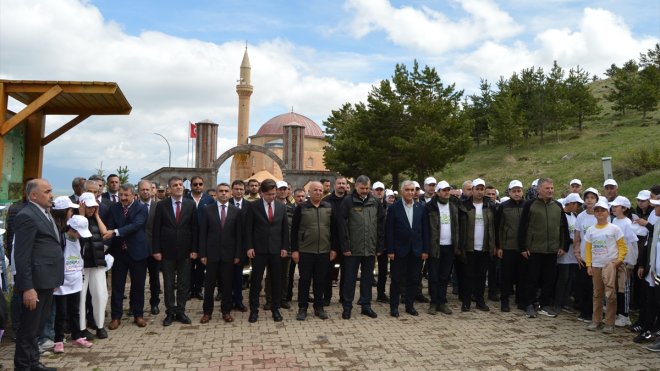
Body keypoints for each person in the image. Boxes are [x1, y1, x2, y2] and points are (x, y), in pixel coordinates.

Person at [13, 179, 63, 371]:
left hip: (47, 280)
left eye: (51, 190)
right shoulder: (27, 215)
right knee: (28, 330)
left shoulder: (44, 213)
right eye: (47, 191)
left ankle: (33, 363)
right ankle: (23, 366)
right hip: (35, 283)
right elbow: (22, 255)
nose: (51, 195)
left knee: (37, 328)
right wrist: (27, 288)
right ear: (33, 195)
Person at [518, 178, 569, 318]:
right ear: (539, 189)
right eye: (547, 188)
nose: (550, 191)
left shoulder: (558, 206)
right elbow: (522, 227)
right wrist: (522, 247)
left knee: (549, 279)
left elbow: (563, 227)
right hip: (533, 249)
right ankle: (528, 304)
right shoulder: (530, 205)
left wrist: (564, 246)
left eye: (552, 188)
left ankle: (544, 305)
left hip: (552, 250)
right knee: (531, 279)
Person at [152, 176, 198, 326]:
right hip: (167, 252)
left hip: (185, 251)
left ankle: (181, 311)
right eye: (175, 185)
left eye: (180, 185)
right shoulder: (162, 206)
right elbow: (156, 229)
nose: (179, 187)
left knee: (184, 283)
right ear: (169, 189)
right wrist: (156, 250)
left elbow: (194, 228)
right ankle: (170, 312)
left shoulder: (190, 205)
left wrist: (194, 249)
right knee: (169, 283)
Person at [339, 175, 385, 319]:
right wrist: (345, 246)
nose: (365, 191)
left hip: (370, 248)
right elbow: (342, 226)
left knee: (367, 278)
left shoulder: (375, 202)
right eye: (362, 188)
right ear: (356, 187)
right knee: (350, 279)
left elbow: (380, 226)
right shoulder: (348, 201)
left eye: (367, 188)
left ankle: (366, 306)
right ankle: (347, 307)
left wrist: (379, 246)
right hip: (353, 249)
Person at [104, 183, 149, 330]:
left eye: (126, 195)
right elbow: (109, 226)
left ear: (133, 195)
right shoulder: (114, 208)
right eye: (121, 195)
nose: (122, 198)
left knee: (138, 286)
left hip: (137, 252)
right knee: (117, 286)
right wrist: (105, 248)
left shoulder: (141, 208)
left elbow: (136, 225)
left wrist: (115, 232)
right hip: (119, 253)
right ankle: (116, 317)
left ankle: (138, 315)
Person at [291, 181, 337, 320]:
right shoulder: (302, 208)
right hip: (305, 251)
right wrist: (294, 250)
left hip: (323, 251)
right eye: (315, 190)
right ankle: (302, 308)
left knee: (320, 281)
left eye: (320, 190)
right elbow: (294, 230)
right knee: (304, 280)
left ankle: (319, 307)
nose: (318, 192)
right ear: (309, 192)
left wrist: (333, 248)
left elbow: (334, 230)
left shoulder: (328, 207)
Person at [245, 179, 289, 323]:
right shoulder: (253, 206)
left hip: (276, 250)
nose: (272, 197)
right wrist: (249, 247)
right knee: (256, 282)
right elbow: (248, 229)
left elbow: (284, 230)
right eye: (269, 194)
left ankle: (275, 310)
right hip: (259, 250)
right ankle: (254, 311)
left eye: (274, 194)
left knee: (276, 281)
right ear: (262, 193)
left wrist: (284, 247)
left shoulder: (281, 207)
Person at [199, 183, 242, 324]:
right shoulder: (207, 210)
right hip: (211, 254)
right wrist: (203, 254)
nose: (224, 193)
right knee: (209, 285)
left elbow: (238, 235)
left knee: (227, 285)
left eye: (226, 191)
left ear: (230, 194)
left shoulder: (236, 211)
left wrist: (237, 255)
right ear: (216, 194)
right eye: (221, 191)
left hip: (229, 255)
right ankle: (207, 312)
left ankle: (226, 311)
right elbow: (203, 233)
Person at [386, 180, 429, 317]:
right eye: (407, 190)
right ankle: (394, 307)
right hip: (399, 250)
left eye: (413, 190)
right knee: (397, 280)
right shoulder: (394, 208)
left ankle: (410, 306)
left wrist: (425, 250)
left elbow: (424, 230)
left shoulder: (420, 207)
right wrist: (391, 250)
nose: (410, 192)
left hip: (416, 250)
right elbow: (389, 231)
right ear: (402, 191)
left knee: (413, 279)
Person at [53, 214, 94, 353]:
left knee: (75, 310)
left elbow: (81, 258)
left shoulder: (81, 241)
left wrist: (81, 275)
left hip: (76, 280)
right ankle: (58, 339)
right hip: (62, 282)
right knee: (61, 313)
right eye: (78, 233)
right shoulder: (61, 239)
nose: (80, 236)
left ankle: (77, 335)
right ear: (72, 229)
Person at [585, 199, 627, 334]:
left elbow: (622, 247)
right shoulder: (591, 230)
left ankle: (609, 323)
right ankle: (596, 320)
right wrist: (588, 265)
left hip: (610, 266)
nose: (599, 213)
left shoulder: (614, 228)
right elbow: (588, 249)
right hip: (596, 265)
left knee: (610, 294)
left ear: (608, 212)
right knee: (597, 294)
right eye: (597, 210)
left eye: (602, 210)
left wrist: (618, 261)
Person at [457, 178, 496, 312]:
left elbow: (494, 227)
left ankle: (480, 301)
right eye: (477, 189)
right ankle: (466, 301)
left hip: (485, 247)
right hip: (469, 247)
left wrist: (494, 245)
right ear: (472, 190)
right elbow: (459, 227)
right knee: (468, 275)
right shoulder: (463, 206)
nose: (480, 192)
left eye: (482, 189)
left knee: (481, 275)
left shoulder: (490, 206)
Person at [425, 180, 461, 315]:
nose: (447, 192)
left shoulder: (453, 205)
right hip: (435, 247)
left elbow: (458, 226)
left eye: (448, 190)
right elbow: (426, 228)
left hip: (450, 246)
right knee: (434, 276)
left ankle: (442, 302)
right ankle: (433, 303)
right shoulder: (430, 206)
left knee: (444, 276)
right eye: (444, 190)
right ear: (438, 192)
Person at [78, 192, 110, 340]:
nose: (91, 210)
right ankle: (81, 327)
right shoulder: (76, 220)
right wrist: (82, 215)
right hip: (83, 264)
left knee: (100, 294)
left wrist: (96, 215)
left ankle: (100, 325)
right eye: (89, 207)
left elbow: (104, 232)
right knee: (81, 296)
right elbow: (81, 232)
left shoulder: (96, 218)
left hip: (97, 262)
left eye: (94, 207)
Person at [495, 180, 525, 312]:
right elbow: (499, 227)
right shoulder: (503, 206)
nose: (517, 193)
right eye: (514, 191)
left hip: (523, 247)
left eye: (519, 191)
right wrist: (499, 246)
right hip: (507, 246)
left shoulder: (527, 205)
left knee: (522, 275)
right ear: (509, 192)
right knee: (506, 276)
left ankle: (520, 300)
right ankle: (505, 301)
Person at [264, 181, 294, 310]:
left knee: (284, 274)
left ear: (288, 190)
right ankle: (270, 300)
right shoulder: (270, 205)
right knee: (271, 274)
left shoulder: (293, 207)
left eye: (285, 189)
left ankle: (283, 298)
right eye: (280, 189)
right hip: (272, 245)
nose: (282, 192)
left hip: (287, 245)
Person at [610, 196, 638, 327]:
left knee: (624, 289)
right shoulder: (614, 220)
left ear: (624, 208)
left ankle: (625, 316)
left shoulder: (628, 224)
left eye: (617, 206)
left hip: (625, 261)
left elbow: (632, 244)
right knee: (615, 288)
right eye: (613, 206)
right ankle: (617, 313)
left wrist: (631, 263)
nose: (613, 208)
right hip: (615, 260)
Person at [185, 175, 214, 301]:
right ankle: (189, 290)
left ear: (203, 185)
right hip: (188, 237)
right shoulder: (185, 198)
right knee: (188, 267)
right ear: (191, 185)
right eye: (195, 184)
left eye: (200, 184)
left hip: (204, 237)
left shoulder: (209, 200)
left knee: (202, 266)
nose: (198, 186)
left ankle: (198, 289)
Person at [573, 187, 600, 322]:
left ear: (596, 200)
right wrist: (577, 254)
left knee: (594, 287)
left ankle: (594, 314)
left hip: (597, 257)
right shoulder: (581, 216)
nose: (589, 200)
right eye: (587, 198)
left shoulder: (599, 216)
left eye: (592, 198)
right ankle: (584, 311)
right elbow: (577, 238)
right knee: (583, 285)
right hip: (583, 257)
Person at [554, 192, 582, 315]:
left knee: (570, 278)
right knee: (562, 278)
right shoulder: (561, 215)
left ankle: (566, 301)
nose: (578, 206)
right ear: (570, 203)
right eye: (577, 204)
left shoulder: (575, 216)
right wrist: (569, 241)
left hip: (573, 253)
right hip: (564, 253)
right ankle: (557, 302)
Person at [323, 176, 348, 305]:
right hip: (330, 241)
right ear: (334, 185)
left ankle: (344, 297)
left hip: (347, 242)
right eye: (339, 183)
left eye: (344, 183)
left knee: (346, 272)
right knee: (328, 271)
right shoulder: (326, 201)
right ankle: (326, 297)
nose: (341, 185)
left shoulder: (350, 201)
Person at [137, 179, 161, 316]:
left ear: (152, 191)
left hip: (154, 249)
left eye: (148, 189)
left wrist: (159, 248)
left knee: (155, 280)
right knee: (138, 280)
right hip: (138, 250)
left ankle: (155, 303)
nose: (145, 192)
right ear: (138, 191)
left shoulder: (159, 206)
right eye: (143, 190)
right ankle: (136, 306)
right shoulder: (133, 206)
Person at [639, 198, 660, 351]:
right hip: (656, 273)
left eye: (657, 206)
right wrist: (652, 268)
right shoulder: (658, 224)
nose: (654, 208)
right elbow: (654, 248)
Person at [228, 180, 249, 312]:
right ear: (232, 190)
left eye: (241, 189)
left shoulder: (249, 206)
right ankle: (227, 300)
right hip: (227, 245)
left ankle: (239, 301)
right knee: (226, 275)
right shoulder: (226, 204)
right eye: (236, 189)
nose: (239, 191)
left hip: (242, 246)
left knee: (239, 275)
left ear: (244, 190)